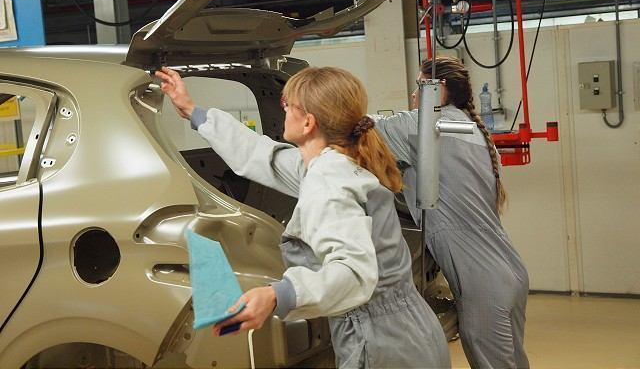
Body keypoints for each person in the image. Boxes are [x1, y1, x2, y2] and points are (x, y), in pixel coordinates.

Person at [156, 66, 451, 369]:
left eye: (287, 104)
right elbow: (261, 155)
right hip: (409, 332)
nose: (282, 110)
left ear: (308, 122)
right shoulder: (336, 161)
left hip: (383, 346)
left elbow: (353, 273)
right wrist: (194, 112)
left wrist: (277, 295)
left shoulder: (329, 182)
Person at [373, 56, 530, 369]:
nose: (414, 94)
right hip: (510, 270)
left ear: (438, 87)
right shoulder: (475, 131)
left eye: (420, 86)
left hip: (482, 283)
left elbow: (357, 128)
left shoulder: (423, 126)